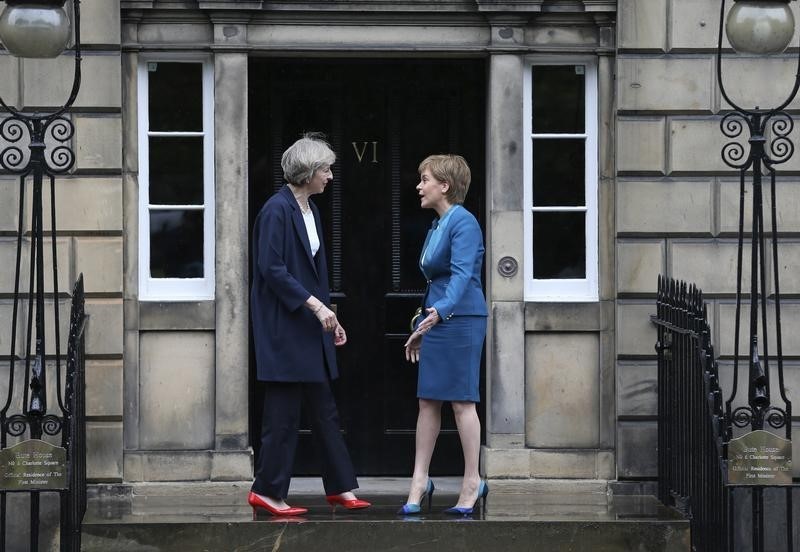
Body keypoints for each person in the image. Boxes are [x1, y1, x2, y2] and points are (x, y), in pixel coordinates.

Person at [249, 133, 370, 516]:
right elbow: (271, 269)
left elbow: (313, 273)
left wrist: (329, 318)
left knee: (324, 409)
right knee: (282, 414)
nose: (330, 176)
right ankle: (267, 491)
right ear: (307, 173)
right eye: (326, 169)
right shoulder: (275, 210)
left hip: (309, 325)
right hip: (284, 328)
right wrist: (318, 308)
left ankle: (341, 487)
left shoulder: (309, 210)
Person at [400, 154, 489, 516]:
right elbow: (435, 281)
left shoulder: (463, 223)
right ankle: (419, 480)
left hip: (461, 318)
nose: (419, 186)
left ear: (445, 185)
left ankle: (472, 481)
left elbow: (463, 274)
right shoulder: (437, 226)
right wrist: (423, 322)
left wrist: (439, 313)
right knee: (427, 401)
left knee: (462, 401)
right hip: (437, 318)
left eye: (425, 179)